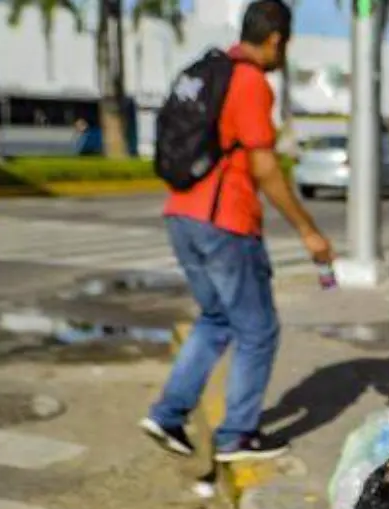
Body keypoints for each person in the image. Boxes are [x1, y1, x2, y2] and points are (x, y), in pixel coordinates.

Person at [140, 0, 334, 463]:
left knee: (215, 319)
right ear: (276, 40)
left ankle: (168, 414)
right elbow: (264, 167)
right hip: (224, 221)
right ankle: (236, 436)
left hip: (181, 213)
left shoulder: (209, 71)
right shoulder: (249, 83)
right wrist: (308, 230)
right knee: (259, 330)